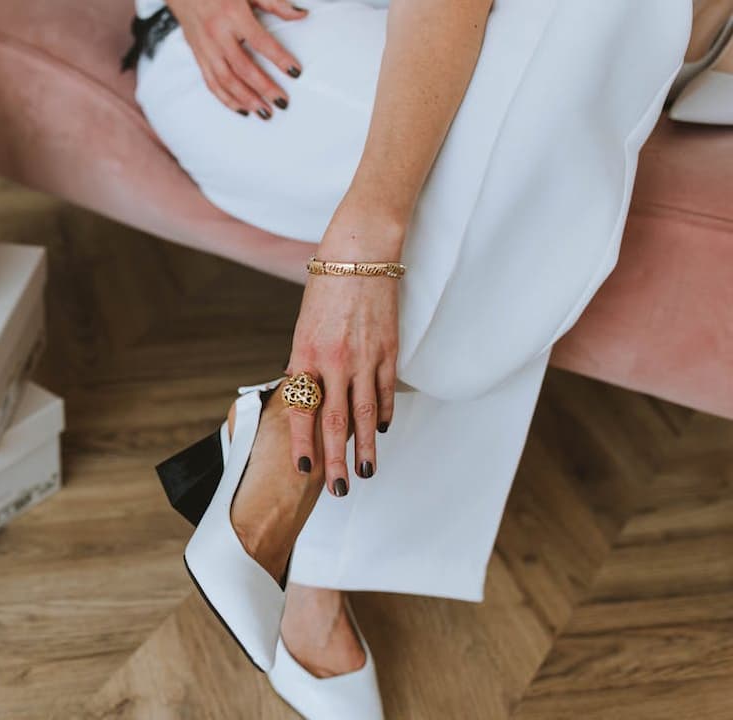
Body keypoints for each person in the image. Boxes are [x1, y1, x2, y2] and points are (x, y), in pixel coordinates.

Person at [127, 0, 689, 716]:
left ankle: (294, 448)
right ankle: (301, 486)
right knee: (526, 150)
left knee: (558, 85)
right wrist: (359, 247)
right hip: (254, 44)